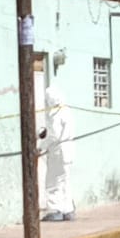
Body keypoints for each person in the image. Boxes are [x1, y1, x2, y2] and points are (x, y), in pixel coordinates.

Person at [38, 84, 76, 222]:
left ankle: (55, 210)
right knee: (65, 181)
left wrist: (40, 147)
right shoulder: (67, 111)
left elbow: (53, 136)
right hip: (68, 151)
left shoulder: (55, 114)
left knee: (53, 181)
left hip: (58, 152)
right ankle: (68, 210)